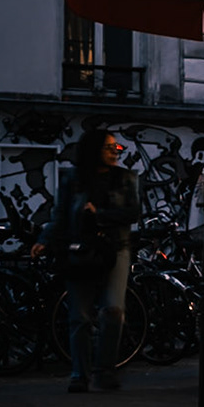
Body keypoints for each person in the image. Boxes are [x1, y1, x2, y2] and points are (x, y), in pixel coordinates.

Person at [34, 125, 140, 392]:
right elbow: (59, 214)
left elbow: (133, 212)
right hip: (79, 249)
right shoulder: (73, 179)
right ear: (93, 149)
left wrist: (100, 213)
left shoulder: (125, 178)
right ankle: (79, 374)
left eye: (117, 148)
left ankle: (104, 371)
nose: (115, 153)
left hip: (115, 248)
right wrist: (45, 240)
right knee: (79, 316)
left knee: (113, 311)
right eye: (109, 147)